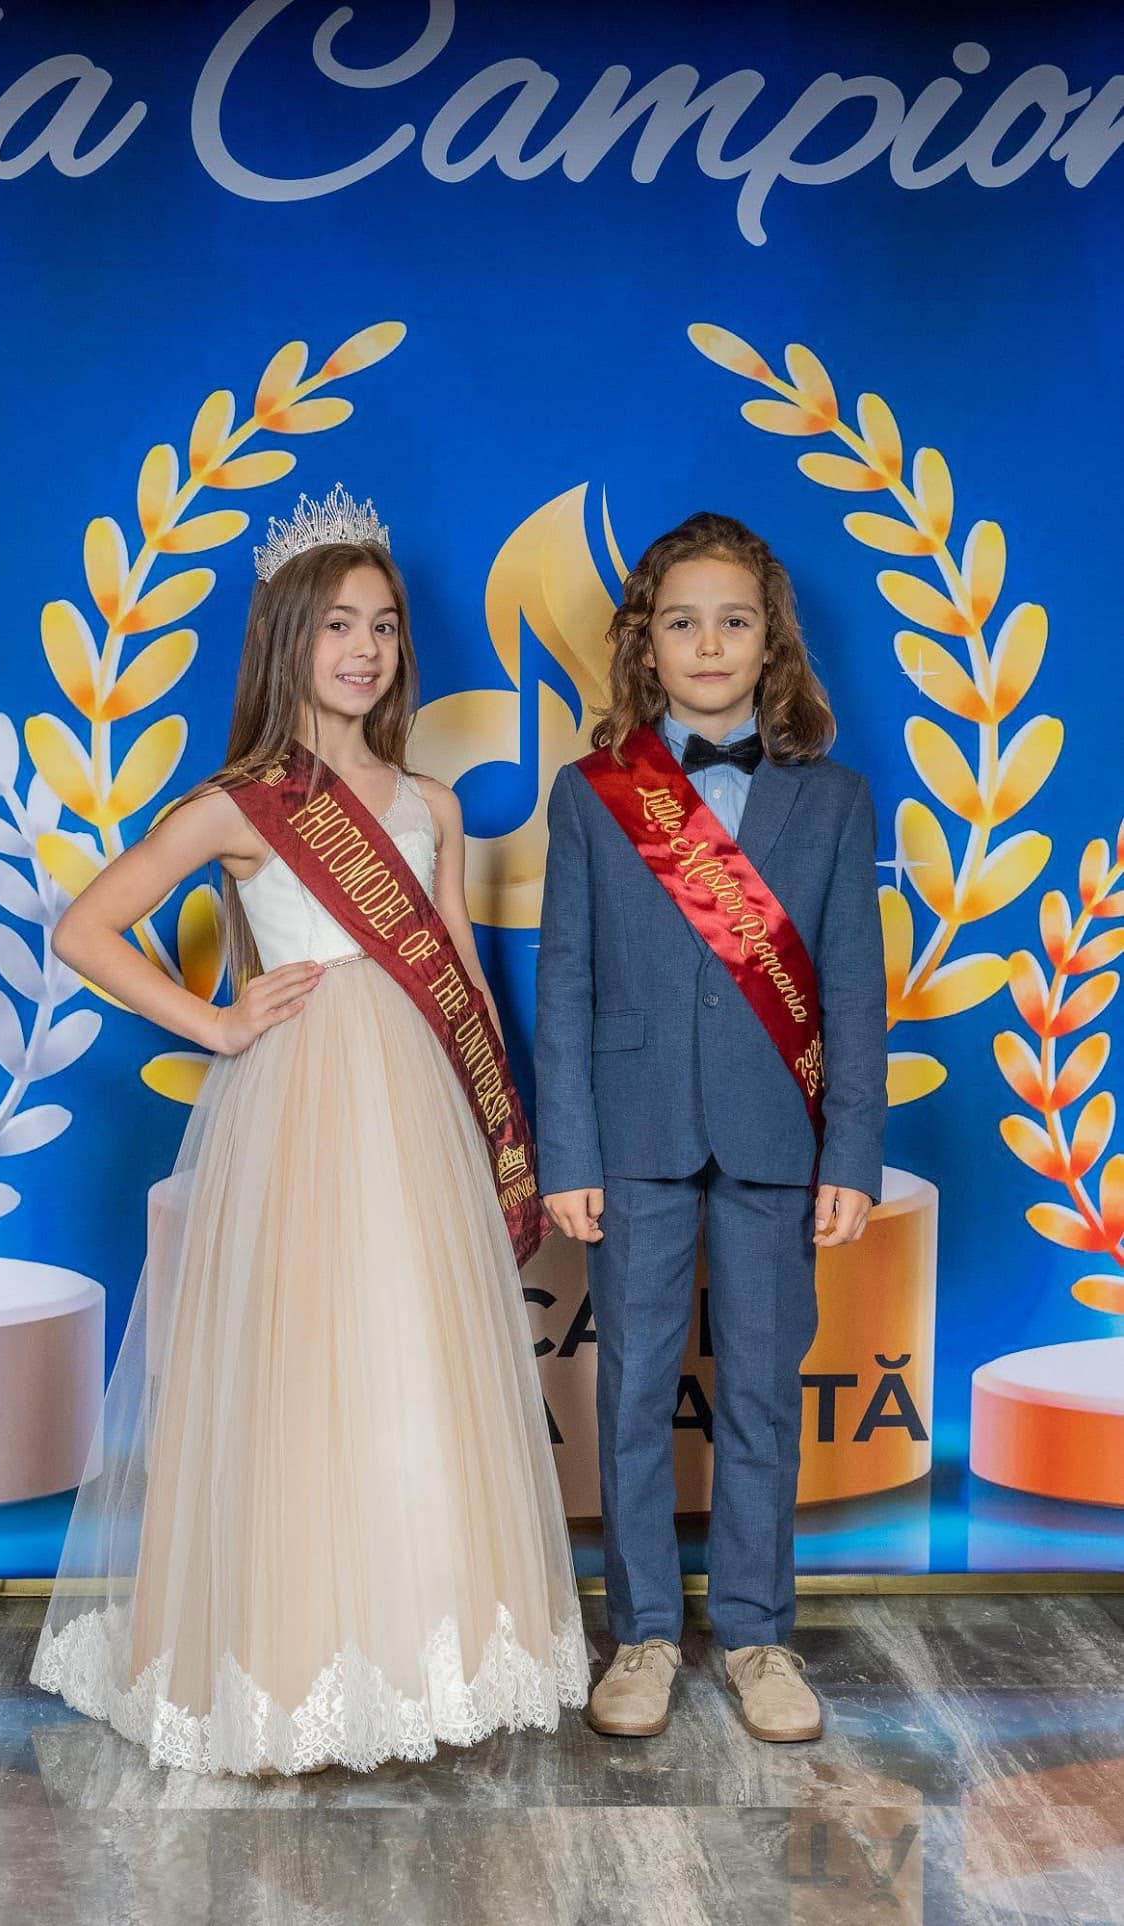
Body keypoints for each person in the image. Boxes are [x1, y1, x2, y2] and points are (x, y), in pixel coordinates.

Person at [33, 486, 588, 1776]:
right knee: (298, 1356)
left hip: (420, 1100)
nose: (365, 649)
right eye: (338, 624)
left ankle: (424, 1655)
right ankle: (281, 1658)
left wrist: (494, 1115)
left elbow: (458, 963)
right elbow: (86, 929)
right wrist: (214, 1022)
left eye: (384, 626)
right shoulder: (238, 805)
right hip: (296, 1103)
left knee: (414, 1354)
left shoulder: (433, 801)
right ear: (287, 637)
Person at [535, 510, 886, 1745]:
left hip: (779, 1137)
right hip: (630, 1136)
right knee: (631, 1391)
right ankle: (640, 1635)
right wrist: (567, 1151)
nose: (709, 642)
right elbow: (564, 984)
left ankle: (756, 1635)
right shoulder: (592, 797)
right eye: (682, 622)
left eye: (734, 621)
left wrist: (852, 1152)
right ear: (646, 644)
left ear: (771, 642)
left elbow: (854, 994)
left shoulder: (836, 800)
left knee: (762, 1400)